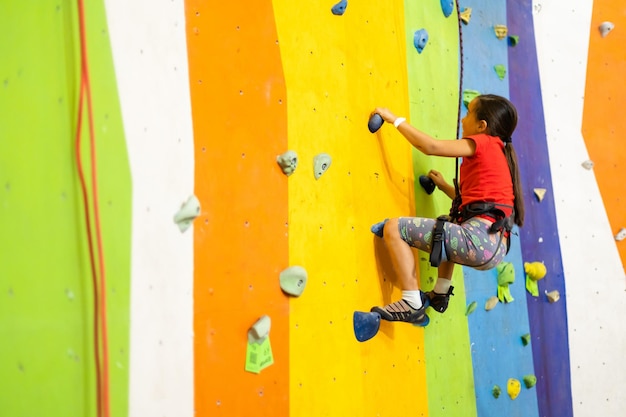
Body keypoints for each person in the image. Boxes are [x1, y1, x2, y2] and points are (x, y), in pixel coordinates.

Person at [369, 94, 525, 325]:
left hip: (478, 240)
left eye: (469, 114)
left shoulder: (483, 143)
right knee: (449, 225)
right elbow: (476, 203)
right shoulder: (500, 155)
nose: (463, 120)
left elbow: (431, 146)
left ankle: (411, 302)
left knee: (394, 228)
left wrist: (395, 120)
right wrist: (444, 187)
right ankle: (440, 293)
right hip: (495, 248)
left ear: (482, 126)